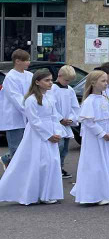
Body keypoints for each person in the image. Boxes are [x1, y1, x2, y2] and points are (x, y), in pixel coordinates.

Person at [0, 69, 63, 205]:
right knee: (40, 163)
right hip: (37, 135)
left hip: (51, 132)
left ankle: (47, 192)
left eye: (51, 80)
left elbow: (54, 116)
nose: (50, 83)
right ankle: (34, 193)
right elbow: (34, 121)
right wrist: (48, 135)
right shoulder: (31, 99)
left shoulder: (50, 97)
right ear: (37, 82)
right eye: (47, 80)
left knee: (52, 161)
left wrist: (57, 131)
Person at [71, 70, 109, 206]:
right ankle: (92, 195)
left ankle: (101, 191)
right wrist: (102, 134)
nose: (106, 83)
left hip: (107, 135)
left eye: (106, 80)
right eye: (103, 81)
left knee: (107, 162)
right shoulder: (89, 101)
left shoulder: (105, 98)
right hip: (95, 138)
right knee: (94, 164)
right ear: (93, 83)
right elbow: (88, 121)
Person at [0, 49, 32, 170]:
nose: (29, 62)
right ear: (18, 61)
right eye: (26, 60)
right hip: (14, 119)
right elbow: (16, 99)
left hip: (28, 117)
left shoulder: (29, 76)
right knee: (16, 147)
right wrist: (29, 111)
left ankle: (7, 159)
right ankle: (14, 173)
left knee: (26, 147)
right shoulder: (10, 78)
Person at [52, 65, 80, 179]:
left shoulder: (70, 90)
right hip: (56, 123)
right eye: (66, 80)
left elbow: (75, 106)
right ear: (59, 76)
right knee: (59, 146)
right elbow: (51, 106)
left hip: (67, 123)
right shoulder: (52, 89)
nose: (67, 83)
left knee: (64, 149)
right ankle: (54, 168)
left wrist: (72, 118)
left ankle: (60, 167)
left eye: (70, 81)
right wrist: (60, 119)